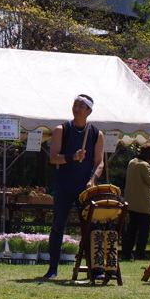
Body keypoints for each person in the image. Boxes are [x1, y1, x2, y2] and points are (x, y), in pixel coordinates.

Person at [42, 94, 104, 280]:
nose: (77, 108)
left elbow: (99, 163)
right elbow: (53, 158)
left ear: (89, 111)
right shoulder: (62, 129)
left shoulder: (96, 134)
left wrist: (93, 179)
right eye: (75, 105)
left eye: (81, 106)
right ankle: (52, 268)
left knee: (91, 226)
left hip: (85, 187)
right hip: (64, 184)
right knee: (58, 226)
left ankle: (97, 268)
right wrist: (72, 157)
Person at [121, 143, 150, 261]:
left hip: (131, 201)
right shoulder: (144, 165)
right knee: (143, 230)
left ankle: (126, 252)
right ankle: (139, 253)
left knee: (131, 229)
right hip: (143, 203)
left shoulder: (132, 162)